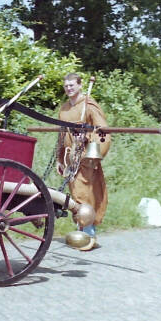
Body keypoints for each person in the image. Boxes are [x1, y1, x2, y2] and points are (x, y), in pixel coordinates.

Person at [57, 73, 110, 242]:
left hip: (86, 157)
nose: (69, 88)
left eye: (72, 85)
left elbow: (103, 131)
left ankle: (88, 232)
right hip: (69, 159)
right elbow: (61, 135)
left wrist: (92, 151)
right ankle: (82, 228)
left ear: (80, 86)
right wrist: (60, 159)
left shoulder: (89, 104)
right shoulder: (64, 108)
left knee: (84, 193)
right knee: (75, 195)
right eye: (66, 85)